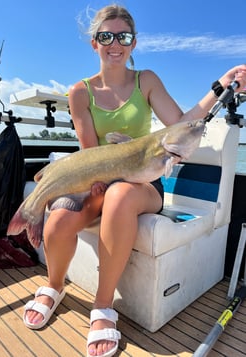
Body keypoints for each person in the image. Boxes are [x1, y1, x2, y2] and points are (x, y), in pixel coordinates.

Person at [23, 4, 246, 357]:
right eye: (106, 36)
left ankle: (102, 306)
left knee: (121, 196)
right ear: (94, 43)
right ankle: (53, 286)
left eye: (123, 36)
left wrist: (220, 86)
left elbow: (182, 121)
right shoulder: (79, 92)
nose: (115, 43)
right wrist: (87, 186)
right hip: (100, 178)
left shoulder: (148, 80)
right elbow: (89, 154)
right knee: (62, 216)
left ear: (133, 43)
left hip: (143, 185)